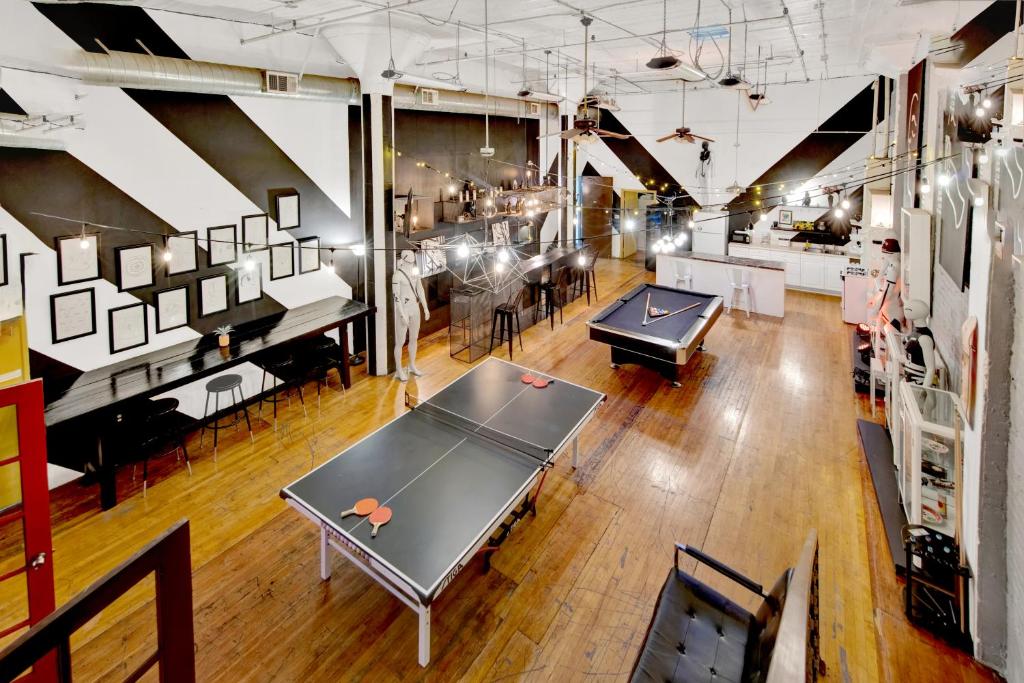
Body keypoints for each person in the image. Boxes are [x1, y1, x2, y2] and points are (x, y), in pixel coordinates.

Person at [392, 250, 430, 381]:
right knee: (400, 341)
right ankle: (398, 369)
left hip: (415, 308)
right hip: (404, 309)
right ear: (403, 260)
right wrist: (402, 314)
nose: (411, 264)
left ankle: (412, 365)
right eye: (409, 261)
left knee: (414, 338)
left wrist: (425, 307)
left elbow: (420, 289)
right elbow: (396, 298)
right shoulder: (397, 276)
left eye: (413, 262)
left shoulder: (415, 272)